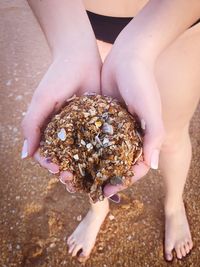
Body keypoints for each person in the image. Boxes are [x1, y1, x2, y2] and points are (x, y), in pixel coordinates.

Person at [21, 0, 200, 263]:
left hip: (178, 18)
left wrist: (137, 50)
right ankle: (98, 207)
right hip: (82, 20)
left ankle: (173, 206)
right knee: (85, 162)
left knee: (170, 137)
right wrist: (70, 44)